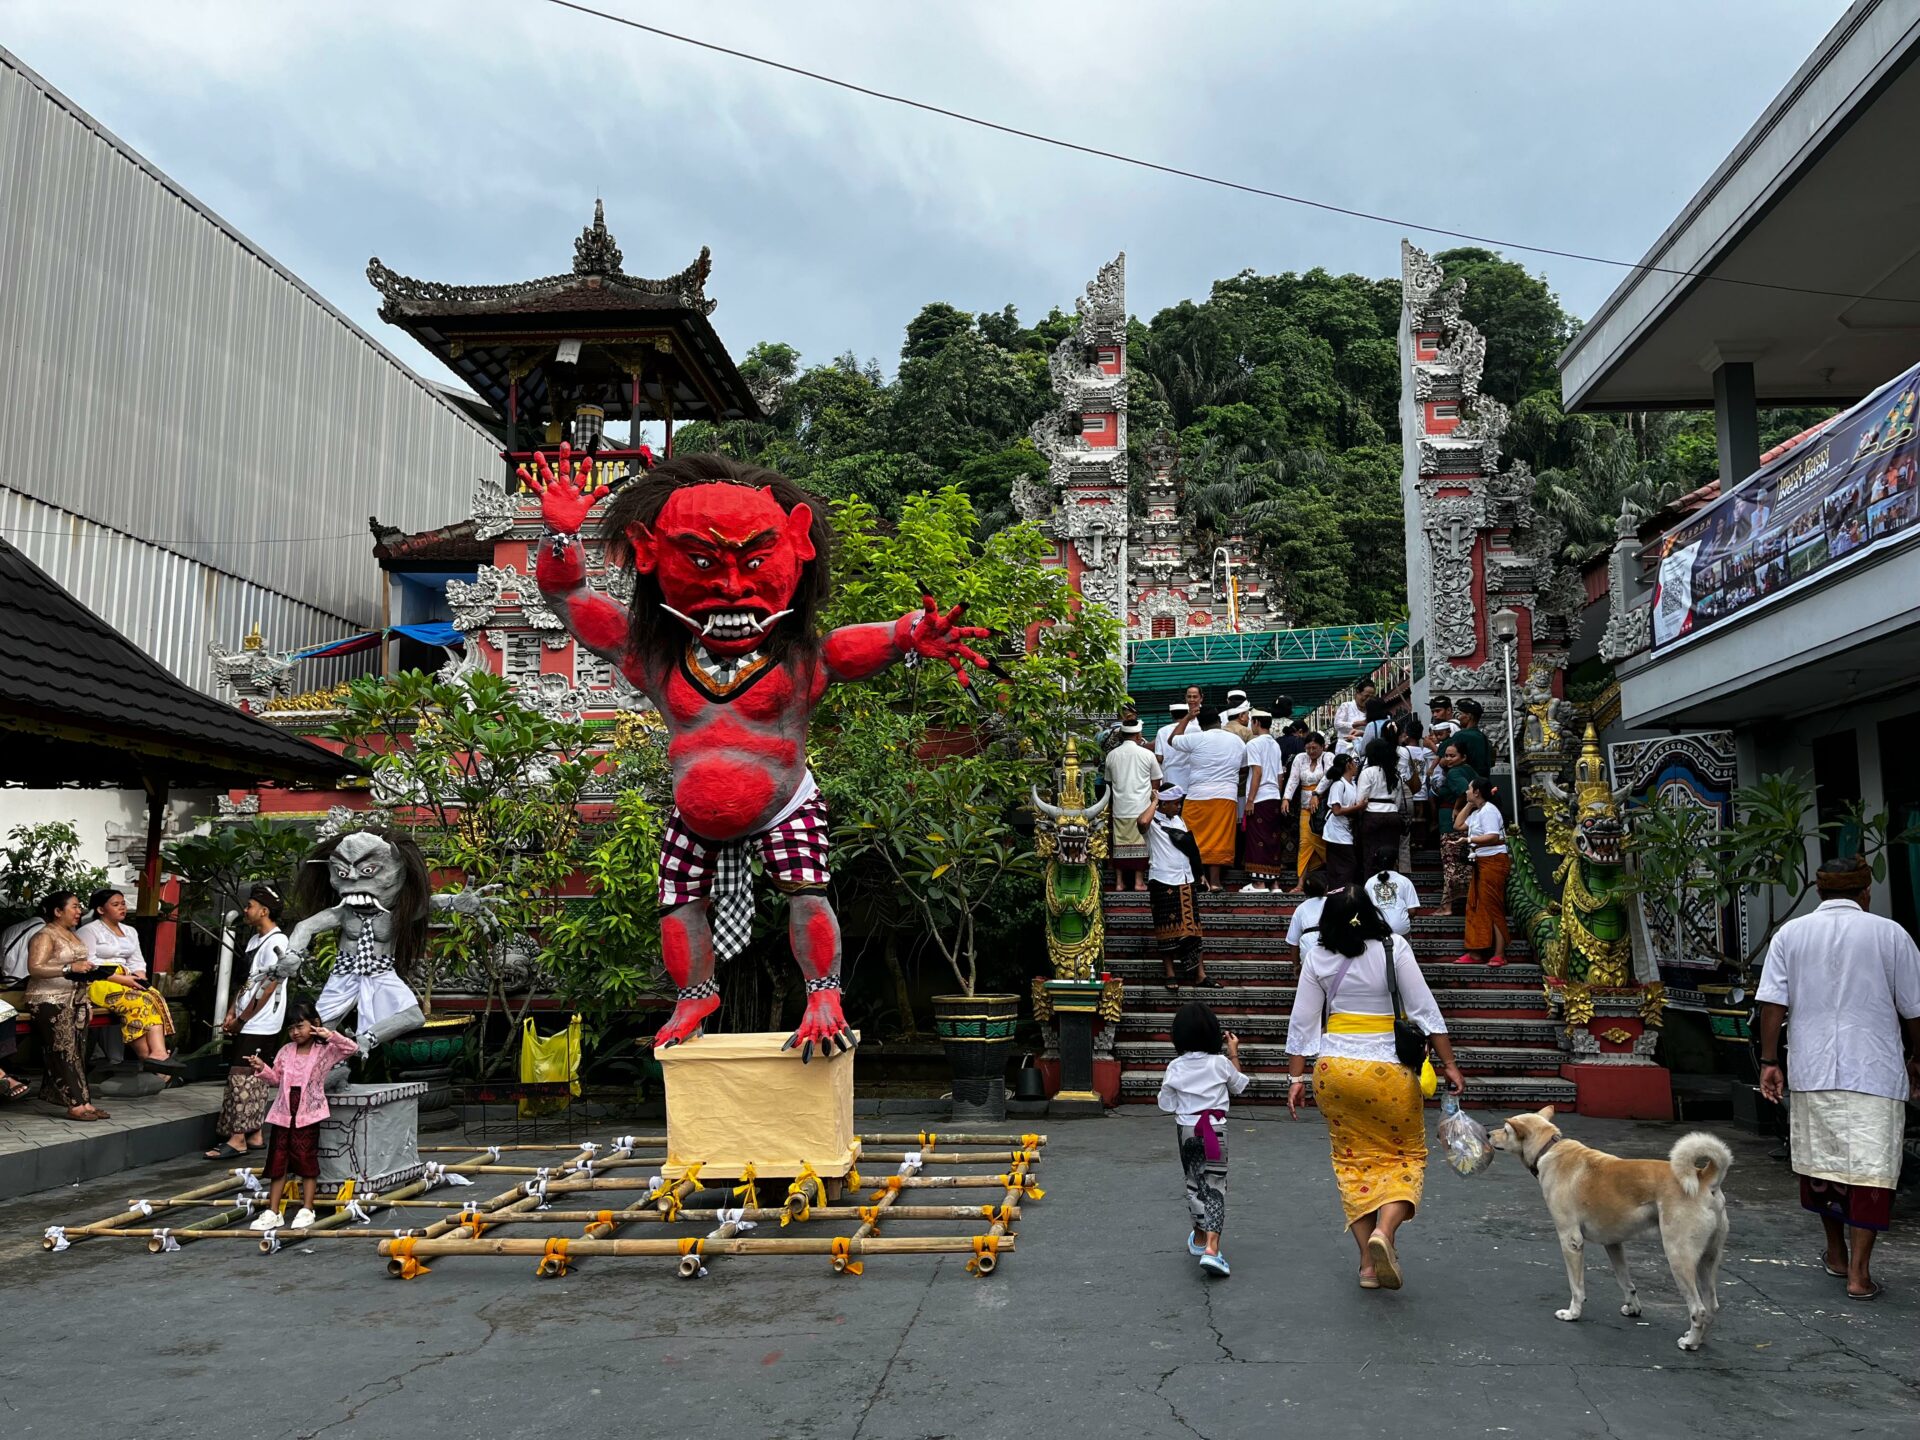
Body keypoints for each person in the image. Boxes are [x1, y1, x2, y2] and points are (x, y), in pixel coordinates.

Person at [1756, 856, 1920, 1301]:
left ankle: (1835, 1254)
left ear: (1818, 891)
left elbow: (1773, 1005)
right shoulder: (1890, 934)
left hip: (1813, 1069)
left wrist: (1770, 1061)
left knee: (1821, 1165)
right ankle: (1859, 1275)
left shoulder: (1790, 935)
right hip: (1875, 1071)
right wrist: (1918, 1058)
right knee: (1872, 1170)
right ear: (1865, 892)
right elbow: (1915, 1010)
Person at [1286, 887, 1464, 1290]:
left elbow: (1302, 1024)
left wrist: (1296, 1078)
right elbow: (1424, 1009)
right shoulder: (1394, 947)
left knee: (1353, 1163)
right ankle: (1385, 1231)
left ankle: (1368, 1264)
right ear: (1371, 914)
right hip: (1390, 1071)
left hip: (1335, 1072)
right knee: (1405, 1156)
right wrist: (1449, 1064)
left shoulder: (1317, 956)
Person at [247, 1001, 359, 1231]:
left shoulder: (325, 1050)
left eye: (300, 1026)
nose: (295, 1032)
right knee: (278, 1161)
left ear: (314, 1024)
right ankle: (273, 1211)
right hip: (283, 1112)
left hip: (308, 1112)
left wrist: (329, 1035)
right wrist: (261, 1068)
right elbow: (276, 1079)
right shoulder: (285, 1051)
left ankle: (307, 1209)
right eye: (291, 1028)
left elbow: (351, 1048)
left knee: (306, 1158)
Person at [1158, 1000, 1248, 1277]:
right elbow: (1240, 1085)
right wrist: (1233, 1053)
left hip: (1187, 1130)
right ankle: (1212, 1246)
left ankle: (1199, 1237)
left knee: (1194, 1184)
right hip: (1215, 1129)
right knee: (1216, 1186)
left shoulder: (1175, 1066)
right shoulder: (1220, 1063)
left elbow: (1166, 1103)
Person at [207, 883, 290, 1160]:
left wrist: (243, 1019)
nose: (246, 910)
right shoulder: (256, 940)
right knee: (249, 1077)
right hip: (248, 1016)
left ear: (264, 910)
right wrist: (232, 1009)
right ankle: (254, 1133)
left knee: (243, 1078)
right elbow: (249, 981)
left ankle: (238, 1138)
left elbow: (268, 987)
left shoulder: (278, 942)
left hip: (262, 1021)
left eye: (250, 906)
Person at [24, 891, 107, 1120]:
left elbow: (79, 969)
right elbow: (35, 967)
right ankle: (76, 1103)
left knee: (78, 1051)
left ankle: (84, 1100)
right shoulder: (45, 935)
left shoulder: (72, 935)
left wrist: (87, 999)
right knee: (64, 1050)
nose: (79, 911)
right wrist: (68, 969)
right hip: (48, 999)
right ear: (57, 911)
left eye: (79, 907)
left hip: (75, 999)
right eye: (74, 907)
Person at [78, 888, 178, 1072]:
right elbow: (89, 965)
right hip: (100, 981)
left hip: (128, 977)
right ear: (101, 909)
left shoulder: (130, 931)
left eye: (123, 903)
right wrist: (124, 980)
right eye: (115, 905)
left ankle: (158, 1053)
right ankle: (147, 1059)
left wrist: (140, 977)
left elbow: (137, 960)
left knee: (153, 997)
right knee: (137, 1003)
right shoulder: (88, 931)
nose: (122, 908)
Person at [1165, 700, 1247, 891]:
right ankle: (1216, 882)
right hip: (1226, 796)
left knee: (1193, 838)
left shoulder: (1197, 738)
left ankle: (1198, 878)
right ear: (1219, 720)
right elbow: (1243, 768)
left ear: (1201, 725)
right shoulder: (1236, 741)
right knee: (1219, 838)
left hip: (1198, 795)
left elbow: (1172, 739)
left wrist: (1187, 717)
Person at [1146, 786, 1209, 985]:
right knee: (1166, 930)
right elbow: (1141, 822)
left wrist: (1199, 874)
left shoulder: (1179, 821)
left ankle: (1200, 975)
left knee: (1193, 929)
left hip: (1185, 879)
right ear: (1164, 804)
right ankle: (1170, 973)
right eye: (1175, 803)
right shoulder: (1152, 823)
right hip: (1162, 880)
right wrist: (1155, 801)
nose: (1179, 806)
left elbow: (1190, 849)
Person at [1104, 722, 1162, 892]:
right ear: (1138, 735)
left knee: (1120, 843)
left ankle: (1119, 882)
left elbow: (1109, 781)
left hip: (1120, 806)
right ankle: (1138, 881)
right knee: (1141, 843)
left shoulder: (1112, 755)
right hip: (1141, 807)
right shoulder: (1147, 754)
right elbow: (1156, 779)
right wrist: (1154, 801)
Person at [1458, 777, 1510, 966]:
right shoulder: (1479, 811)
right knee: (1477, 905)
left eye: (1469, 789)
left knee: (1494, 906)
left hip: (1494, 860)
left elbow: (1493, 836)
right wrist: (1469, 805)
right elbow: (1458, 825)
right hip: (1481, 861)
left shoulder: (1489, 810)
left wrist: (1468, 840)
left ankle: (1499, 953)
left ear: (1477, 791)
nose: (1466, 792)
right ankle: (1476, 951)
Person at [1238, 710, 1287, 892]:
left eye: (1252, 721)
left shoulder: (1254, 744)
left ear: (1257, 722)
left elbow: (1256, 772)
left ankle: (1259, 882)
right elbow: (1280, 775)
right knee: (1272, 840)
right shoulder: (1275, 744)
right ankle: (1274, 883)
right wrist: (1277, 794)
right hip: (1274, 795)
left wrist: (1250, 800)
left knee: (1257, 838)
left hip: (1260, 797)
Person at [1432, 736, 1480, 916]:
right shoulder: (1469, 770)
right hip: (1468, 824)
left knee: (1451, 864)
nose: (1448, 759)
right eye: (1446, 756)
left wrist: (1458, 807)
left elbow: (1463, 791)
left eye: (1453, 756)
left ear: (1463, 757)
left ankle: (1447, 906)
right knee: (1465, 864)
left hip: (1451, 824)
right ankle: (1468, 901)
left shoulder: (1454, 773)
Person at [1283, 732, 1332, 893]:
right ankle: (1300, 883)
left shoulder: (1328, 757)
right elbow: (1293, 779)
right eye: (1308, 748)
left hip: (1322, 808)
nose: (1311, 751)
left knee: (1324, 843)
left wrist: (1316, 794)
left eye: (1315, 748)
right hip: (1305, 808)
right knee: (1304, 844)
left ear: (1322, 747)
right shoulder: (1300, 758)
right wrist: (1286, 798)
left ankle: (1333, 879)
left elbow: (1328, 778)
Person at [1356, 731, 1408, 878]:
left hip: (1372, 815)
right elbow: (1397, 801)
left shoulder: (1369, 772)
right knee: (1390, 856)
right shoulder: (1394, 774)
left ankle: (1371, 889)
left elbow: (1361, 799)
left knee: (1370, 856)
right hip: (1392, 815)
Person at [1319, 754, 1364, 890]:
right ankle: (1340, 891)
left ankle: (1338, 891)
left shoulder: (1352, 784)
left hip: (1346, 829)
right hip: (1336, 832)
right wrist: (1358, 807)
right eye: (1354, 763)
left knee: (1339, 865)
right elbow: (1336, 810)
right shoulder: (1338, 784)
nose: (1356, 766)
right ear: (1349, 765)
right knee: (1348, 864)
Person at [1364, 868, 1422, 936]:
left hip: (1379, 929)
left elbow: (1366, 910)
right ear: (1396, 863)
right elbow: (1412, 911)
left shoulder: (1370, 882)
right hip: (1401, 929)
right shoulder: (1404, 880)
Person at [1285, 867, 1331, 950]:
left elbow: (1293, 942)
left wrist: (1296, 963)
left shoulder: (1301, 908)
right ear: (1327, 888)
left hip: (1308, 949)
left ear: (1305, 891)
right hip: (1332, 948)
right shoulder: (1335, 903)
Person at [1450, 697, 1494, 779]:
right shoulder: (1482, 736)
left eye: (1460, 714)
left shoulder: (1461, 735)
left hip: (1465, 781)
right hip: (1482, 783)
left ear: (1469, 716)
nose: (1458, 717)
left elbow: (1448, 761)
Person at [1157, 701, 1195, 796]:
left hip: (1170, 779)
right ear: (1187, 713)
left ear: (1171, 714)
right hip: (1191, 779)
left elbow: (1159, 757)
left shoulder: (1162, 731)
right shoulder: (1196, 729)